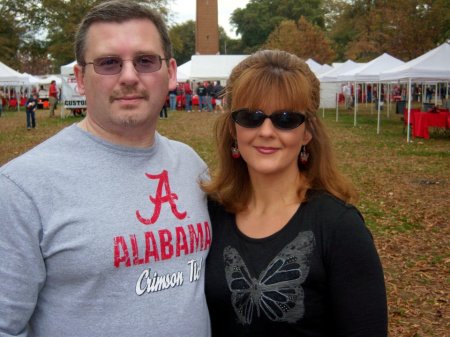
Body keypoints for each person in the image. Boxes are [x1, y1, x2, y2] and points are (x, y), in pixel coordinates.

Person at [0, 1, 211, 336]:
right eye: (109, 63)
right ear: (81, 79)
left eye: (145, 61)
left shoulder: (193, 167)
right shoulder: (21, 187)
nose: (129, 76)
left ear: (170, 73)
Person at [201, 50, 387, 337]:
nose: (266, 131)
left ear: (307, 132)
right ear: (233, 128)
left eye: (285, 119)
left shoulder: (338, 227)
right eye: (250, 117)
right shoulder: (210, 214)